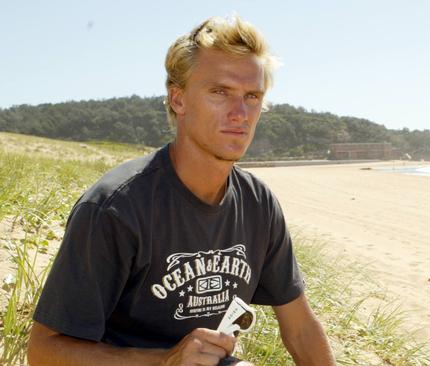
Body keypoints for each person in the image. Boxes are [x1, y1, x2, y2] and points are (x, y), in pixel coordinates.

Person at [27, 15, 336, 366]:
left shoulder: (258, 204)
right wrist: (164, 361)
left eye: (252, 96)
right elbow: (43, 352)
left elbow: (300, 329)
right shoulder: (116, 208)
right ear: (178, 99)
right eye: (220, 92)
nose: (240, 113)